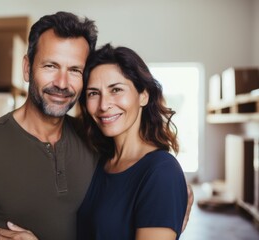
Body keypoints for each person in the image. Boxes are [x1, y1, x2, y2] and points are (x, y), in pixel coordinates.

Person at [0, 11, 193, 240]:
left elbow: (148, 172)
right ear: (27, 68)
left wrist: (174, 187)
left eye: (75, 70)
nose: (62, 83)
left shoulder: (96, 143)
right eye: (51, 66)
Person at [76, 43, 188, 240]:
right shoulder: (100, 162)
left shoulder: (162, 172)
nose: (104, 105)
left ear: (143, 95)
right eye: (93, 93)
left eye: (116, 89)